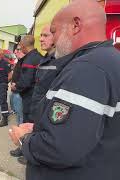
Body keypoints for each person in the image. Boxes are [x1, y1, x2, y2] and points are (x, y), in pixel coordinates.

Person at [9, 1, 120, 179]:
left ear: (76, 25)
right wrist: (38, 127)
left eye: (54, 31)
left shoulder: (88, 68)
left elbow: (61, 147)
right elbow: (83, 128)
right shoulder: (108, 60)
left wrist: (25, 139)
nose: (52, 39)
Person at [12, 25, 57, 165]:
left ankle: (27, 154)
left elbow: (26, 81)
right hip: (33, 102)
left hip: (33, 101)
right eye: (41, 36)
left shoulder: (33, 59)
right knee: (26, 125)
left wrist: (16, 87)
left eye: (45, 36)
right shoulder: (42, 58)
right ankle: (23, 149)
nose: (41, 39)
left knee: (29, 128)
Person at [11, 35, 42, 122]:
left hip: (29, 97)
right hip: (37, 95)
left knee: (25, 120)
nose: (20, 49)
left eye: (20, 47)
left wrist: (16, 86)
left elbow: (25, 81)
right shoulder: (39, 56)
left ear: (23, 46)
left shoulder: (28, 59)